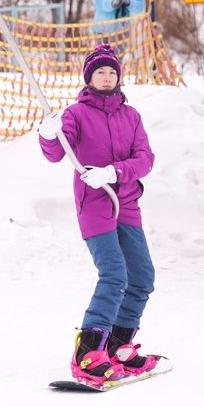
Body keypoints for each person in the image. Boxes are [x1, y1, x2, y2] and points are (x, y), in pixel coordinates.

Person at [37, 44, 161, 387]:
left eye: (111, 73)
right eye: (100, 73)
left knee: (142, 277)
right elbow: (55, 153)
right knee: (114, 274)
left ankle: (119, 345)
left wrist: (113, 172)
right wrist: (48, 135)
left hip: (127, 202)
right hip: (94, 205)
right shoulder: (75, 115)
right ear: (89, 76)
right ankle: (89, 351)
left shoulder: (131, 116)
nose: (106, 79)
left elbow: (145, 159)